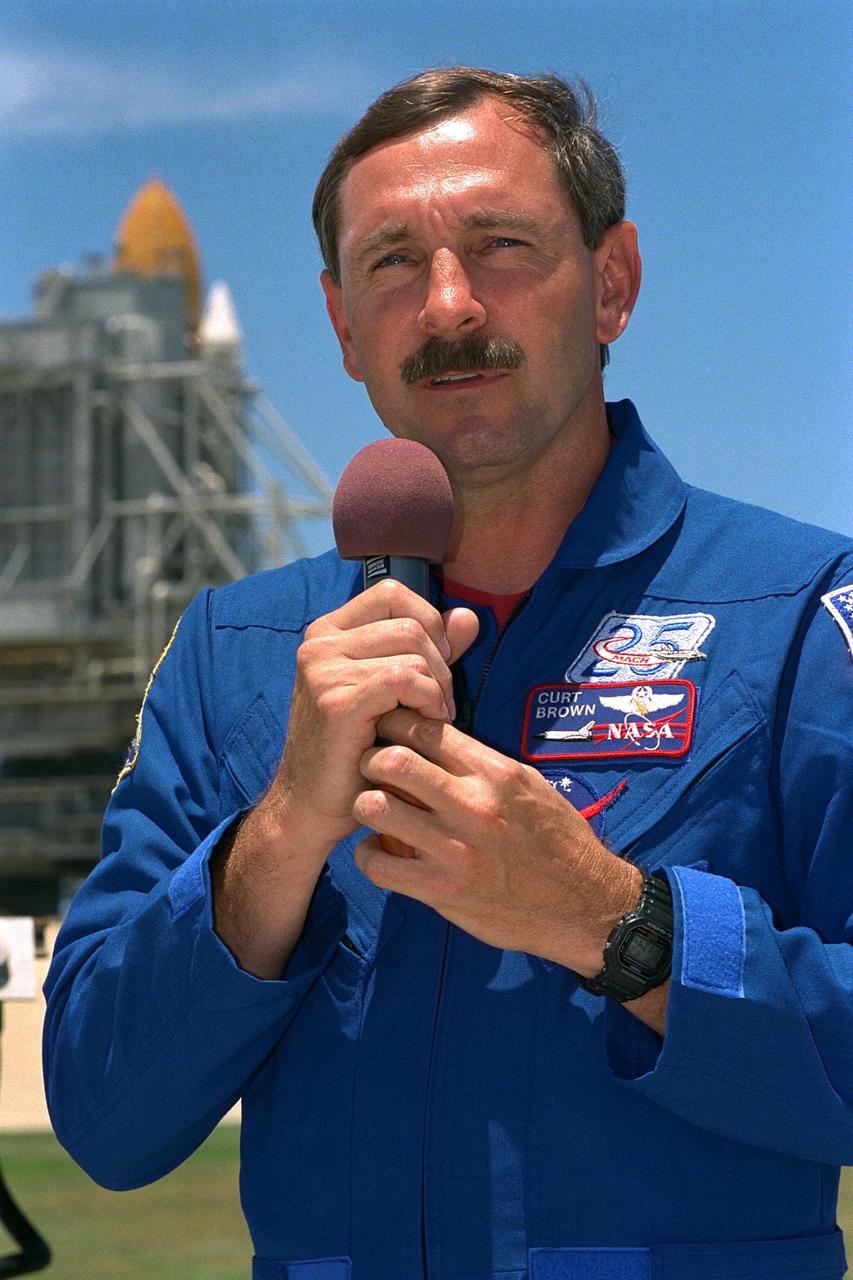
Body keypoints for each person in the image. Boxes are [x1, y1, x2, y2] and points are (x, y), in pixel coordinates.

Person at [44, 67, 853, 1280]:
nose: (450, 303)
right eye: (391, 262)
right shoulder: (234, 656)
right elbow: (104, 1117)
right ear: (338, 322)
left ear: (613, 281)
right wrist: (277, 839)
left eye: (502, 244)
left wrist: (615, 922)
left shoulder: (793, 618)